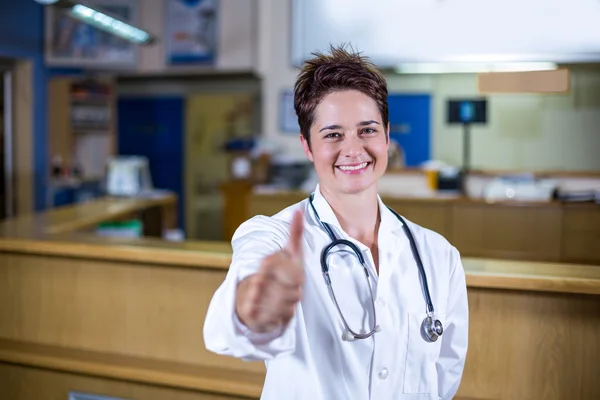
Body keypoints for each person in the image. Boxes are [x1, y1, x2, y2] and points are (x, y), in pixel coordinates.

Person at [203, 45, 469, 400]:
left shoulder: (438, 254)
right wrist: (252, 305)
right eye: (332, 134)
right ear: (308, 147)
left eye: (367, 130)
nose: (354, 149)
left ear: (387, 137)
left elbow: (445, 376)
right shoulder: (274, 236)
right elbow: (237, 316)